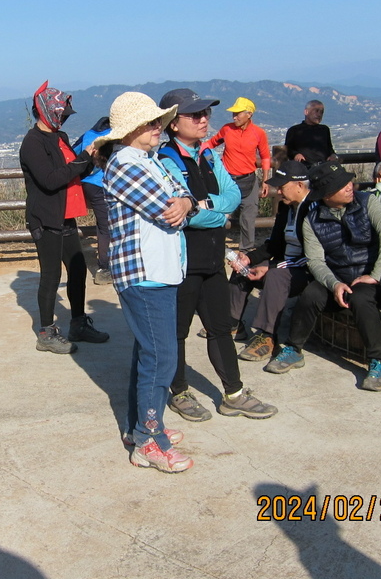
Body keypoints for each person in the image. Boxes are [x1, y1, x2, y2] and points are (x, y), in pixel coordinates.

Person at [154, 88, 275, 422]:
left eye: (206, 112)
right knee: (176, 333)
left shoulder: (207, 155)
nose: (204, 118)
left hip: (210, 258)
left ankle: (233, 393)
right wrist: (214, 212)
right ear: (173, 124)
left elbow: (233, 195)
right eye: (195, 115)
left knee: (221, 328)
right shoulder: (166, 160)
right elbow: (180, 213)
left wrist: (201, 206)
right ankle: (179, 392)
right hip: (182, 262)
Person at [98, 91, 196, 473]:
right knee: (161, 356)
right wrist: (184, 204)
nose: (160, 127)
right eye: (152, 122)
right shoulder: (126, 163)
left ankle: (139, 428)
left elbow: (184, 196)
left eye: (159, 121)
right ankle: (147, 440)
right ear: (130, 129)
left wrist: (186, 203)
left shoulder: (149, 159)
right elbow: (168, 210)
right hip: (145, 272)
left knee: (149, 352)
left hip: (159, 269)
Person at [265, 162, 381, 392]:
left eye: (348, 182)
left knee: (360, 298)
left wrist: (375, 275)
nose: (350, 187)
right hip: (337, 278)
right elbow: (315, 260)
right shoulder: (312, 219)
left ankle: (378, 362)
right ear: (327, 195)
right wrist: (334, 284)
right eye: (342, 185)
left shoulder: (368, 203)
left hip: (373, 280)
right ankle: (293, 349)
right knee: (310, 294)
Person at [19, 81, 108, 354]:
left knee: (78, 268)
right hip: (45, 217)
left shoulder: (61, 137)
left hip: (65, 215)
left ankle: (78, 323)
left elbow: (72, 172)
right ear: (47, 111)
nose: (64, 119)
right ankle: (46, 332)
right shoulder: (32, 143)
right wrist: (83, 158)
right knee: (51, 275)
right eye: (62, 114)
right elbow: (50, 180)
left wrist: (92, 159)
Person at [227, 160, 314, 363]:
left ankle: (267, 336)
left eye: (283, 187)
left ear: (300, 186)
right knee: (243, 268)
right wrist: (250, 257)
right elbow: (273, 244)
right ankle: (233, 323)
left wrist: (270, 265)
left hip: (306, 270)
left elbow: (314, 256)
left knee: (275, 274)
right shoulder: (287, 209)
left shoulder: (314, 210)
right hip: (285, 265)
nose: (279, 192)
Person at [202, 97, 271, 252]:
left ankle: (246, 251)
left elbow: (265, 156)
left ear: (249, 114)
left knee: (248, 218)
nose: (234, 116)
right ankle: (214, 245)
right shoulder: (227, 129)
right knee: (220, 214)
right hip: (227, 181)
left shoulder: (259, 133)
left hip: (249, 180)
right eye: (234, 113)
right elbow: (211, 143)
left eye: (237, 113)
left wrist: (266, 180)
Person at [72, 116, 113, 285]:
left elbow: (74, 151)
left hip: (86, 183)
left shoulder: (88, 134)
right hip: (101, 184)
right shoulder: (114, 134)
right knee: (106, 226)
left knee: (104, 225)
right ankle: (104, 269)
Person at [285, 100, 337, 166]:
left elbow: (329, 148)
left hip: (324, 168)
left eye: (321, 112)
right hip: (303, 168)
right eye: (316, 111)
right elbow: (288, 149)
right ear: (306, 112)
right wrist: (296, 154)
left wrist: (333, 155)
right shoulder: (294, 130)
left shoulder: (324, 129)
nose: (319, 114)